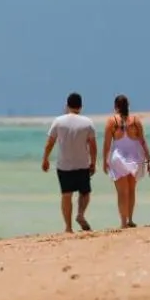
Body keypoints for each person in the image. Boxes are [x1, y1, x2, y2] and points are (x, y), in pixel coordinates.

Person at [41, 92, 97, 233]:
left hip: (64, 165)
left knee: (66, 195)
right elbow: (93, 146)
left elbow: (50, 143)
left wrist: (45, 159)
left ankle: (68, 227)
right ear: (81, 106)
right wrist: (93, 163)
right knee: (85, 193)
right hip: (82, 164)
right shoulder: (88, 122)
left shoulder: (58, 121)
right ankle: (80, 214)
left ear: (67, 105)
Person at [103, 95, 150, 229]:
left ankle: (123, 222)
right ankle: (130, 219)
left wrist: (104, 161)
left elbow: (107, 144)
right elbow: (142, 141)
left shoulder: (111, 121)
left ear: (115, 106)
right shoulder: (136, 121)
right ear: (128, 106)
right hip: (135, 158)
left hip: (118, 158)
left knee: (122, 192)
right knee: (131, 190)